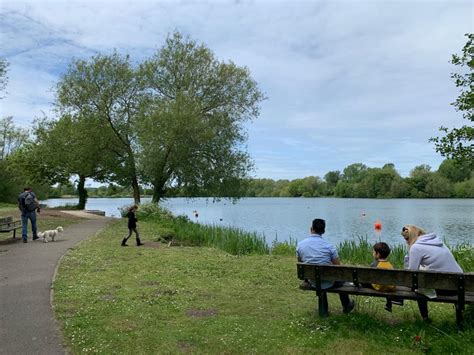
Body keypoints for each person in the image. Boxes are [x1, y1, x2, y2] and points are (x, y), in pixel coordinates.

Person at [401, 224, 463, 322]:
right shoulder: (438, 242)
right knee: (421, 283)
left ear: (411, 237)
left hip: (445, 289)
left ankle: (425, 318)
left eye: (406, 239)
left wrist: (408, 254)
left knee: (418, 286)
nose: (406, 242)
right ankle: (460, 319)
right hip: (459, 286)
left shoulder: (416, 247)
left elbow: (411, 273)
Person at [296, 218, 355, 315]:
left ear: (311, 229)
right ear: (323, 231)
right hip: (329, 281)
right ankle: (346, 305)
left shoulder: (300, 245)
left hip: (312, 280)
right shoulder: (329, 246)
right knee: (341, 279)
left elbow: (300, 262)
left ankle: (323, 312)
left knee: (320, 277)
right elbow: (338, 267)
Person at [368, 242, 403, 312]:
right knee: (385, 282)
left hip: (379, 287)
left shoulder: (374, 264)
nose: (372, 253)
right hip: (390, 287)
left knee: (366, 281)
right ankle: (391, 302)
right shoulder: (390, 265)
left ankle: (390, 302)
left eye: (373, 252)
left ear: (377, 254)